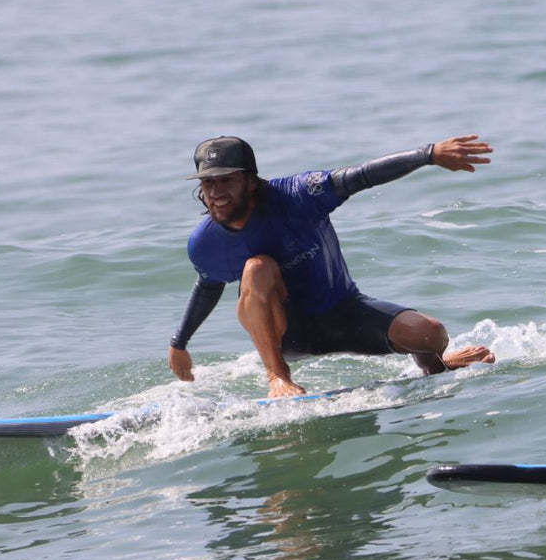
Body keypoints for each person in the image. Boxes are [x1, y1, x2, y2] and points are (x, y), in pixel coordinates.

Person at [168, 134, 496, 397]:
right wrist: (179, 344)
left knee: (431, 333)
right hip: (287, 334)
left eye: (226, 181)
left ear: (251, 181)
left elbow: (360, 176)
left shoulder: (299, 195)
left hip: (344, 312)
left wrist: (429, 154)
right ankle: (277, 379)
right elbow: (208, 285)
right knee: (256, 268)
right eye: (208, 184)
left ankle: (436, 368)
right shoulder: (205, 242)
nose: (216, 192)